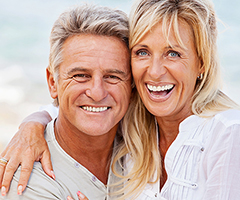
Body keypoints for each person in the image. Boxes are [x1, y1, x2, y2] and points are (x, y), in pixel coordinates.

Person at [1, 0, 240, 199]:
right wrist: (32, 124)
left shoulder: (228, 136)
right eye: (142, 52)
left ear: (202, 63)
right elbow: (83, 109)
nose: (155, 71)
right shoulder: (137, 125)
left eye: (173, 53)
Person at [0, 3, 137, 200]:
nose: (97, 93)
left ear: (131, 85)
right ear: (52, 83)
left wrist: (34, 121)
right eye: (81, 75)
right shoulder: (29, 183)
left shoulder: (145, 143)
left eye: (113, 77)